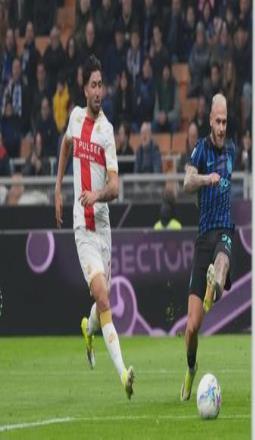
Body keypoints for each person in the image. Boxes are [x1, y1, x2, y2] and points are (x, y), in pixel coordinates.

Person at [54, 54, 135, 400]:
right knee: (103, 296)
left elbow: (115, 187)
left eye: (102, 85)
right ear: (84, 88)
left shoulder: (106, 132)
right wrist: (58, 187)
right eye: (94, 85)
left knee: (101, 300)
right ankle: (123, 373)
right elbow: (65, 145)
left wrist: (96, 194)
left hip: (103, 226)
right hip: (82, 227)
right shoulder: (75, 117)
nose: (99, 91)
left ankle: (88, 328)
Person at [180, 93, 235, 401]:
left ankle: (214, 287)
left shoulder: (233, 150)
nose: (222, 127)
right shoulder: (200, 150)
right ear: (210, 120)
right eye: (218, 121)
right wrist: (206, 179)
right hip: (203, 238)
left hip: (224, 231)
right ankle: (191, 369)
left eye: (225, 122)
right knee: (191, 328)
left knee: (223, 261)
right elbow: (186, 183)